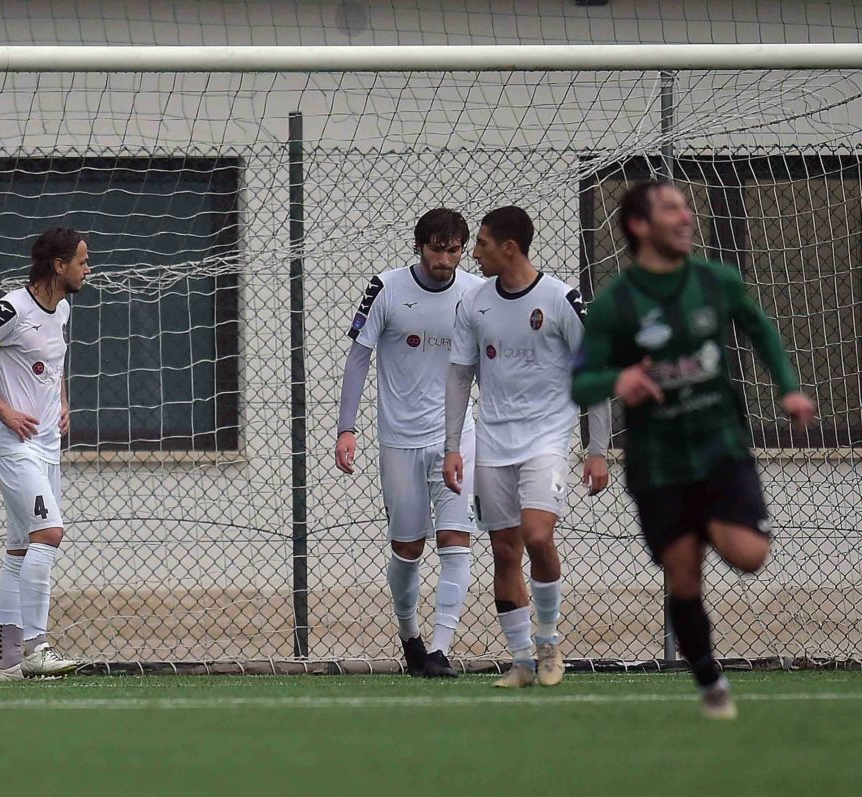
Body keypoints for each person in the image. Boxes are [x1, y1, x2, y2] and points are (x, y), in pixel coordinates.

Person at [572, 181, 815, 719]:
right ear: (640, 225)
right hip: (658, 462)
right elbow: (578, 382)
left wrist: (788, 388)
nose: (686, 216)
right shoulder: (615, 304)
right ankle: (708, 677)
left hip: (719, 446)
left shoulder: (715, 281)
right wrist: (618, 379)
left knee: (749, 556)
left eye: (687, 207)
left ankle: (706, 519)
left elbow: (760, 330)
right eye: (671, 208)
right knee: (683, 576)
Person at [443, 206, 612, 689]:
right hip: (494, 442)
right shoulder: (473, 302)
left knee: (538, 536)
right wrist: (453, 446)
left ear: (509, 247)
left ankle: (549, 644)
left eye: (481, 244)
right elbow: (459, 377)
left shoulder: (560, 298)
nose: (474, 254)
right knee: (504, 551)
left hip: (546, 439)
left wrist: (597, 449)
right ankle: (520, 661)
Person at [336, 208, 482, 676]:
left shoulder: (476, 293)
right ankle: (410, 637)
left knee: (455, 540)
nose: (445, 259)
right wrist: (346, 428)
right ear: (419, 246)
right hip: (399, 441)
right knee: (408, 548)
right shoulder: (386, 287)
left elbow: (491, 361)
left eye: (454, 250)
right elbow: (358, 358)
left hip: (457, 439)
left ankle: (440, 649)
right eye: (436, 249)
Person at [0, 227, 90, 679]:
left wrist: (62, 402)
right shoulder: (11, 308)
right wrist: (4, 410)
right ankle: (36, 646)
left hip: (47, 447)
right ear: (59, 266)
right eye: (82, 261)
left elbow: (53, 363)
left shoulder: (62, 309)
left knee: (19, 549)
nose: (88, 270)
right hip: (14, 447)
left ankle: (9, 661)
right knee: (49, 533)